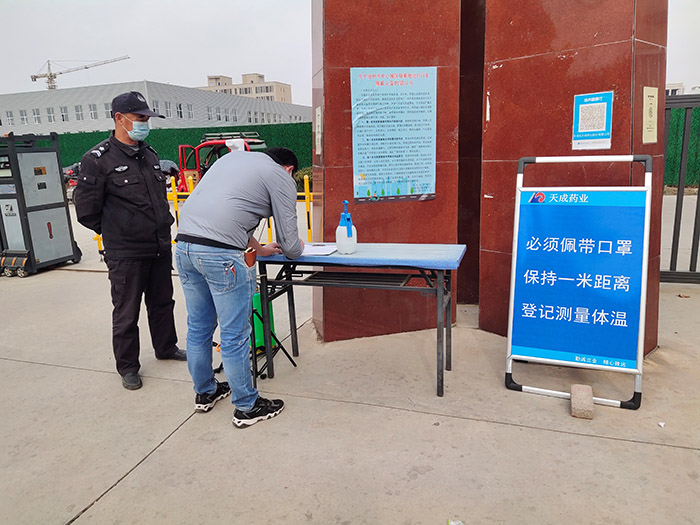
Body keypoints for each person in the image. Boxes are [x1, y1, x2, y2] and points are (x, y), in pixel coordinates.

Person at [175, 147, 304, 428]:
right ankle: (247, 406)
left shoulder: (231, 160)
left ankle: (205, 392)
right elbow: (292, 247)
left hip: (184, 248)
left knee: (198, 327)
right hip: (221, 256)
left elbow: (231, 215)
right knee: (234, 334)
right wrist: (299, 246)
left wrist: (262, 249)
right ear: (289, 169)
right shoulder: (279, 176)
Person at [74, 91, 186, 391]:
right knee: (126, 311)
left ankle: (166, 347)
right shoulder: (97, 160)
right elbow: (86, 211)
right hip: (125, 252)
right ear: (119, 119)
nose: (144, 123)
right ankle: (127, 366)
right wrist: (119, 231)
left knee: (162, 302)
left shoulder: (149, 154)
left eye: (147, 118)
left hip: (159, 245)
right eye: (139, 118)